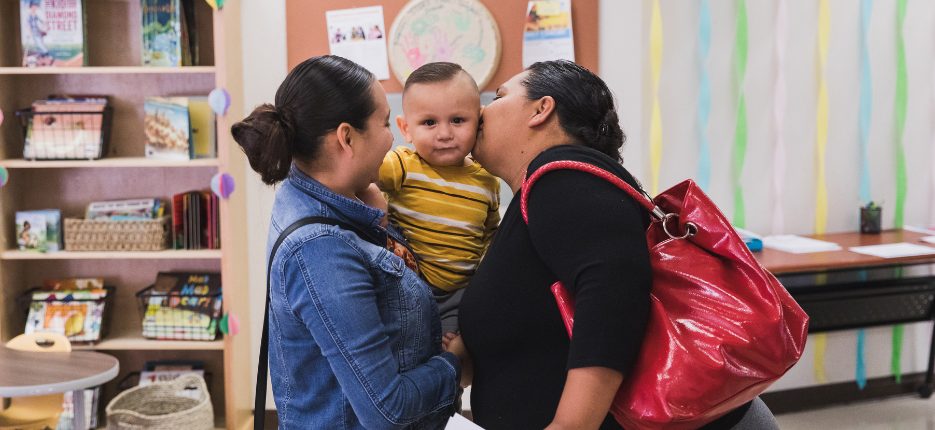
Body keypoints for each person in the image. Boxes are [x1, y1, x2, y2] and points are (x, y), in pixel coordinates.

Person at [455, 60, 778, 429]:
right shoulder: (547, 189)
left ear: (541, 109)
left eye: (499, 96)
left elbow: (613, 296)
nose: (481, 111)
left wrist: (569, 426)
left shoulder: (560, 176)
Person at [232, 55, 469, 429]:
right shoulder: (320, 249)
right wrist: (455, 363)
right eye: (385, 123)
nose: (392, 138)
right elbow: (386, 409)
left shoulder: (318, 194)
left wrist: (379, 220)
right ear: (346, 137)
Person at [361, 62, 500, 336]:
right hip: (408, 285)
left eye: (458, 120)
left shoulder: (487, 180)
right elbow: (362, 176)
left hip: (462, 296)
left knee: (453, 358)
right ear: (406, 128)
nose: (445, 133)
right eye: (429, 122)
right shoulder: (403, 164)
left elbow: (491, 236)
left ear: (479, 120)